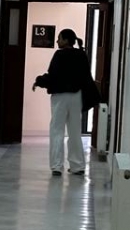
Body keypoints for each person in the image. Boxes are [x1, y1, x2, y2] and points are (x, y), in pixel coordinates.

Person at [32, 28, 93, 176]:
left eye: (59, 38)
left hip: (60, 97)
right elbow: (86, 77)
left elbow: (53, 76)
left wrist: (39, 81)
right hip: (76, 96)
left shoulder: (59, 55)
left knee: (57, 130)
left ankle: (57, 166)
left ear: (66, 40)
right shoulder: (81, 55)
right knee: (75, 131)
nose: (57, 41)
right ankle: (77, 166)